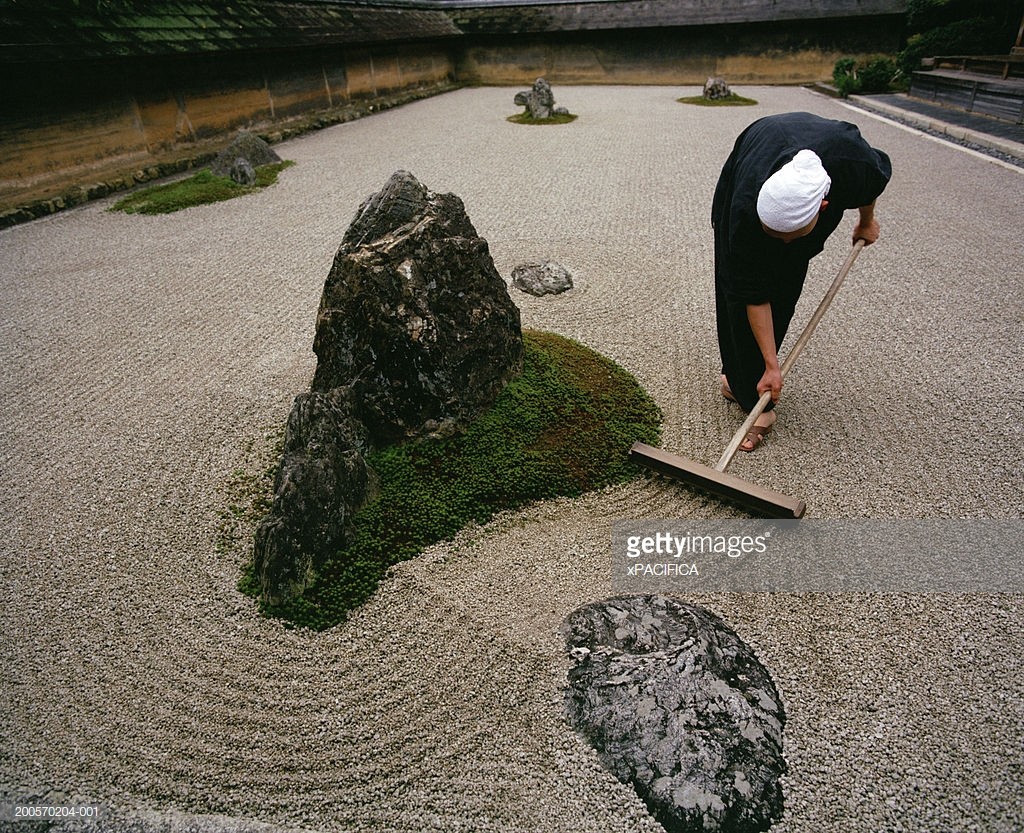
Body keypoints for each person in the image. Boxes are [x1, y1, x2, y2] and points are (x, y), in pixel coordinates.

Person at [711, 111, 892, 451]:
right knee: (737, 288)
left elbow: (870, 183)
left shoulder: (853, 161)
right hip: (758, 146)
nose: (778, 244)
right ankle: (745, 388)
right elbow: (752, 293)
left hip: (824, 162)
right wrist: (770, 364)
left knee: (784, 285)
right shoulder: (745, 212)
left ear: (824, 207)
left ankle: (749, 380)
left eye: (788, 236)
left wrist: (866, 222)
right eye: (773, 234)